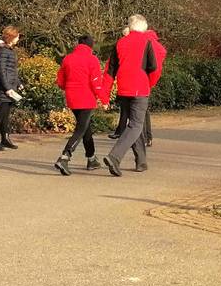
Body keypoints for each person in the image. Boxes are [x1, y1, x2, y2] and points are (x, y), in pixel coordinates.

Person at [101, 15, 161, 176]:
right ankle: (114, 157)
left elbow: (109, 72)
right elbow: (154, 69)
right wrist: (149, 84)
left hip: (123, 88)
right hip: (140, 88)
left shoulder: (119, 43)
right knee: (135, 125)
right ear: (143, 27)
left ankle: (141, 161)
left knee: (135, 124)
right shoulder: (146, 42)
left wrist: (104, 96)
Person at [54, 34, 111, 175]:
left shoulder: (68, 58)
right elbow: (96, 83)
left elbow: (61, 80)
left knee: (86, 129)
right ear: (91, 45)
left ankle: (91, 158)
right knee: (81, 129)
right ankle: (65, 156)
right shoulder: (92, 59)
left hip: (72, 98)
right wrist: (104, 100)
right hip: (86, 98)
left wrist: (68, 88)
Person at [0, 26, 23, 152]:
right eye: (17, 36)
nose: (18, 38)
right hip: (4, 88)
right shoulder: (3, 51)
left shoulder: (10, 51)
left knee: (6, 115)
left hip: (11, 87)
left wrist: (18, 83)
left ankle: (5, 138)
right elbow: (1, 71)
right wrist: (7, 88)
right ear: (11, 36)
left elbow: (12, 70)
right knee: (0, 113)